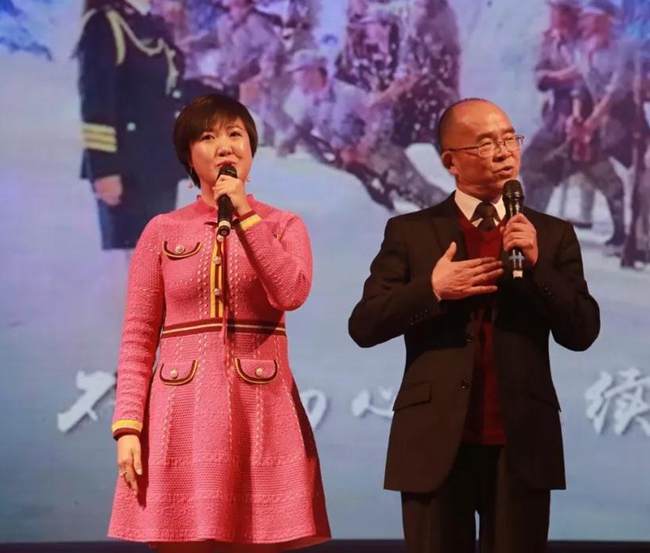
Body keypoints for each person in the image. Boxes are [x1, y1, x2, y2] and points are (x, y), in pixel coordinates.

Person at [348, 98, 600, 553]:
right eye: (486, 144)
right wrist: (433, 289)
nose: (504, 152)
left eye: (509, 139)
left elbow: (582, 331)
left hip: (521, 440)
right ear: (451, 162)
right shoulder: (411, 231)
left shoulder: (552, 234)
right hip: (434, 440)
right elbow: (364, 325)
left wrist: (538, 268)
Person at [108, 94, 331, 553]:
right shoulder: (162, 230)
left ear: (251, 147)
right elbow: (137, 337)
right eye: (208, 137)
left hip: (261, 411)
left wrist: (246, 215)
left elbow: (290, 293)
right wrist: (128, 426)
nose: (225, 145)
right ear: (188, 157)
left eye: (235, 134)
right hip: (179, 414)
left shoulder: (283, 225)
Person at [77, 0, 185, 251]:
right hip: (127, 166)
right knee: (133, 261)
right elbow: (96, 103)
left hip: (158, 163)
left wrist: (229, 93)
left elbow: (167, 93)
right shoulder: (105, 25)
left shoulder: (150, 23)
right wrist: (104, 169)